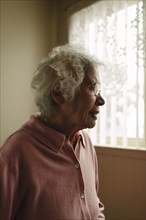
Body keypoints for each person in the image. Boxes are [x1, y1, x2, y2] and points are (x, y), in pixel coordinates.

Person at [0, 44, 105, 220]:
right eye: (92, 88)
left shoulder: (85, 142)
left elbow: (95, 207)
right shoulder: (15, 154)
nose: (101, 100)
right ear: (59, 92)